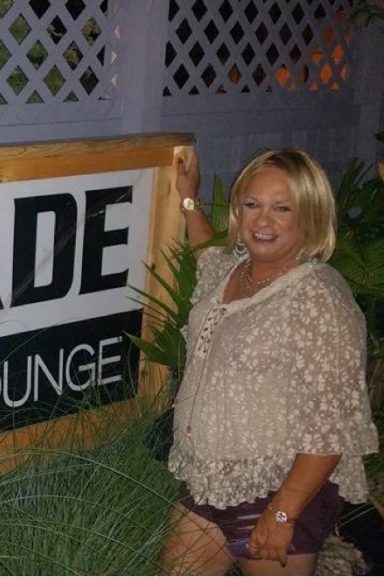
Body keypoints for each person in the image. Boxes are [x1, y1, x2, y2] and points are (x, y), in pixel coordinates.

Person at [159, 147, 379, 575]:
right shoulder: (236, 269)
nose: (263, 220)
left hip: (275, 488)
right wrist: (189, 199)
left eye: (282, 208)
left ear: (311, 215)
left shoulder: (317, 299)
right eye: (252, 205)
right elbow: (207, 251)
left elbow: (331, 423)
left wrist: (283, 513)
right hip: (210, 483)